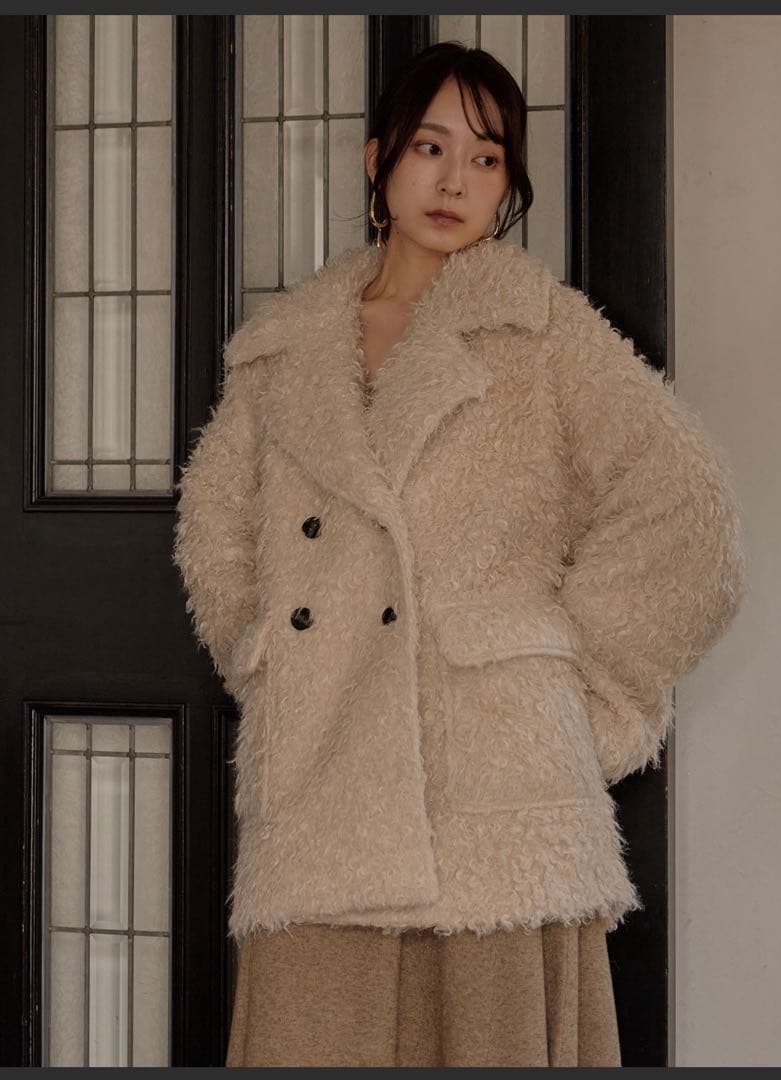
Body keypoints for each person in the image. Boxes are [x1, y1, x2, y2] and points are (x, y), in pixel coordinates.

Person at [172, 41, 748, 1068]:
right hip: (322, 774)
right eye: (430, 148)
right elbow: (212, 530)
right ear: (377, 160)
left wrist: (571, 689)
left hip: (496, 775)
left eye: (486, 158)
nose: (454, 181)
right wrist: (269, 662)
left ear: (507, 184)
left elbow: (684, 511)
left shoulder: (543, 332)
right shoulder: (283, 349)